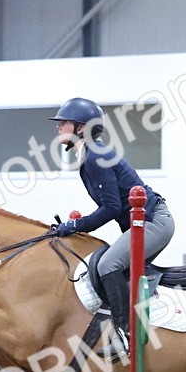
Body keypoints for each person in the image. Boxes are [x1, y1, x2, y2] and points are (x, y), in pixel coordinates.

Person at [49, 97, 174, 353]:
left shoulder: (95, 155)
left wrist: (74, 225)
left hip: (153, 222)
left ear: (81, 128)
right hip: (144, 223)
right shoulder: (89, 156)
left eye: (64, 122)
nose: (58, 126)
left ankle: (124, 334)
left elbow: (111, 208)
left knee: (108, 264)